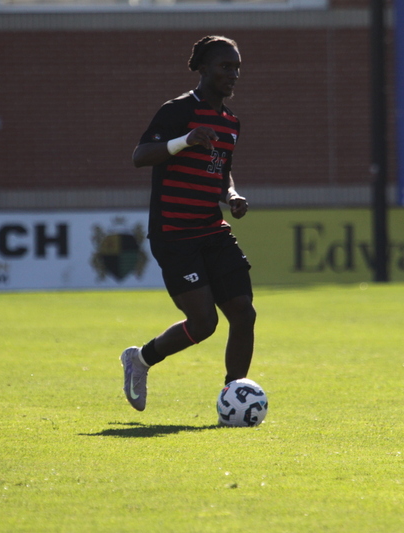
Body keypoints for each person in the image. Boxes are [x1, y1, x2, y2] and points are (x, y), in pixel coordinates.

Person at [120, 35, 256, 411]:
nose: (233, 74)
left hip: (212, 229)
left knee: (243, 313)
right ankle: (140, 359)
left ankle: (234, 398)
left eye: (237, 67)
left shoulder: (231, 122)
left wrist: (231, 195)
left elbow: (221, 172)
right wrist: (186, 140)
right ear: (204, 68)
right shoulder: (178, 110)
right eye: (225, 66)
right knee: (203, 323)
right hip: (175, 233)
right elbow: (140, 156)